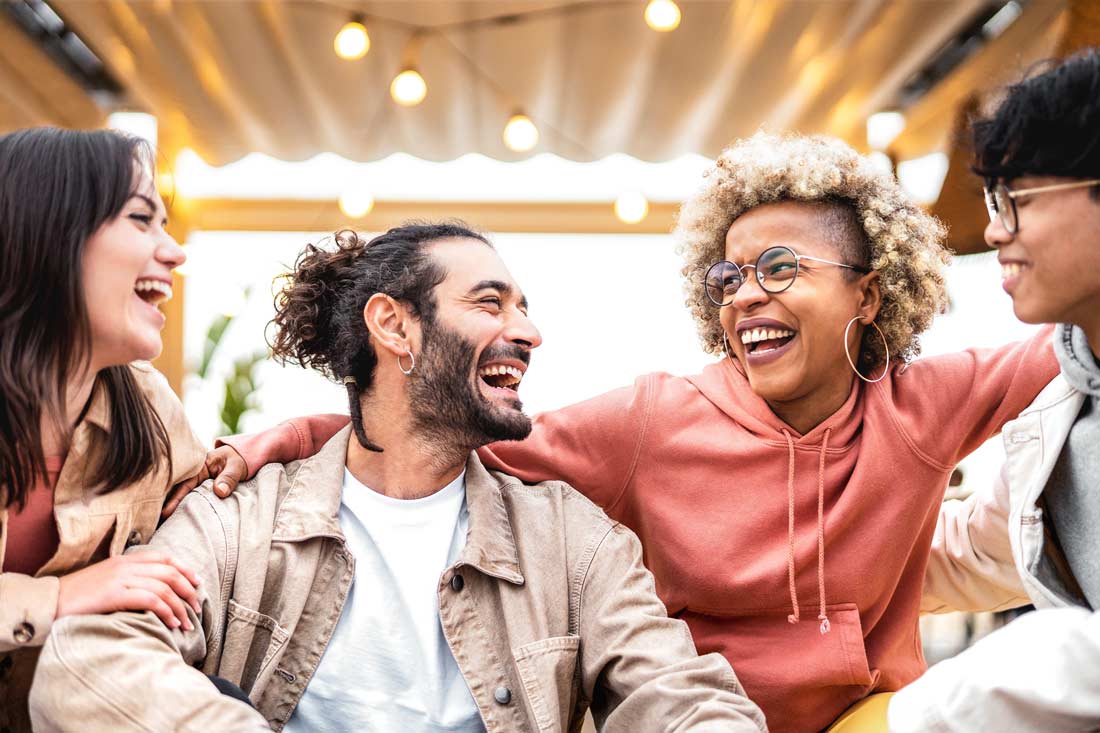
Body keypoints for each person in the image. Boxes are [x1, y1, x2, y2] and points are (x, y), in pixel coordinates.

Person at [204, 134, 1058, 732]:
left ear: (869, 295)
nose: (746, 295)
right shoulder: (657, 419)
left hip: (867, 720)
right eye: (729, 276)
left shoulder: (924, 406)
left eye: (781, 268)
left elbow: (1070, 341)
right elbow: (450, 431)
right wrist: (295, 435)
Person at [29, 224, 767, 732]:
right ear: (394, 326)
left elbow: (680, 694)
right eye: (490, 301)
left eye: (525, 307)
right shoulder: (240, 519)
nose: (530, 332)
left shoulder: (572, 540)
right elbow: (85, 657)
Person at [889, 49, 1100, 732]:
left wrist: (917, 714)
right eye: (991, 199)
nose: (992, 230)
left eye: (1015, 198)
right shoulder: (1063, 409)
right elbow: (978, 550)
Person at [0, 127, 214, 732]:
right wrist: (61, 599)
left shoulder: (148, 407)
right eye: (142, 219)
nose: (173, 252)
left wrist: (299, 437)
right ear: (48, 230)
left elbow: (222, 519)